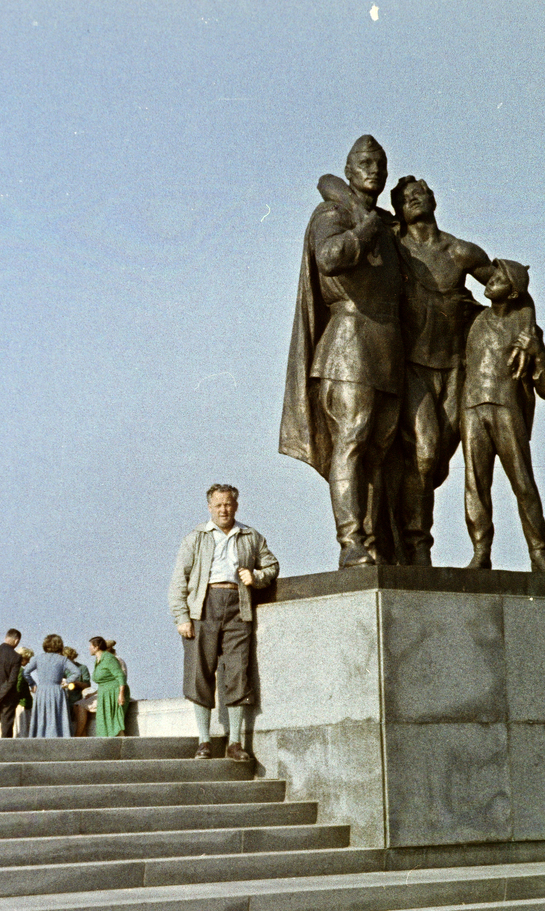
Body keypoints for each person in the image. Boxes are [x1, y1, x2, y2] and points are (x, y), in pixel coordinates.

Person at [279, 135, 405, 568]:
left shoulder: (386, 226)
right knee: (351, 442)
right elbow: (330, 257)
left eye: (380, 163)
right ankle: (351, 541)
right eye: (365, 162)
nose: (374, 169)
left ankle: (376, 542)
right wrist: (366, 225)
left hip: (388, 347)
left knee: (380, 451)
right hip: (347, 344)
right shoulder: (332, 214)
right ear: (349, 171)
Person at [389, 175, 493, 565]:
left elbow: (508, 288)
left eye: (420, 193)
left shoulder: (460, 251)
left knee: (437, 463)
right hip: (413, 367)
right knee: (426, 452)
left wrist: (521, 329)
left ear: (433, 198)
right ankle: (418, 546)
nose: (415, 199)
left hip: (456, 368)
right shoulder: (396, 250)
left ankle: (409, 532)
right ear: (399, 210)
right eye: (406, 198)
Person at [460, 259, 545, 573]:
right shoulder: (474, 319)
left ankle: (538, 553)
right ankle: (480, 551)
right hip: (472, 407)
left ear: (514, 292)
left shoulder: (528, 333)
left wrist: (537, 354)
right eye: (493, 274)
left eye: (501, 277)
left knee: (522, 482)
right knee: (475, 484)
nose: (492, 280)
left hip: (507, 408)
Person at [170, 483, 280, 762]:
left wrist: (255, 577)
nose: (223, 509)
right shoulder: (195, 537)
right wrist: (182, 617)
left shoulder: (251, 536)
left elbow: (272, 566)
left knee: (238, 672)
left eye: (228, 504)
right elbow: (178, 582)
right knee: (199, 672)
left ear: (236, 506)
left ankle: (235, 742)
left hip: (238, 606)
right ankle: (204, 742)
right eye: (218, 505)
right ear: (209, 507)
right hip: (203, 607)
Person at [25, 635, 80, 738]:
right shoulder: (63, 659)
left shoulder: (38, 658)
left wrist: (32, 684)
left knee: (42, 715)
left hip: (42, 690)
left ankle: (40, 736)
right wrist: (67, 682)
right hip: (57, 690)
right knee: (58, 715)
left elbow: (26, 672)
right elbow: (77, 672)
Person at [88, 636, 128, 739]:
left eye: (91, 646)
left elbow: (120, 676)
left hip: (114, 692)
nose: (89, 648)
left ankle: (123, 747)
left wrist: (121, 694)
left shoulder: (109, 658)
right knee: (104, 722)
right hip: (104, 693)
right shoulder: (98, 660)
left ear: (96, 647)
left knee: (115, 722)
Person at [62, 645, 91, 737]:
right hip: (64, 701)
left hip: (77, 700)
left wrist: (74, 683)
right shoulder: (61, 669)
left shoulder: (82, 668)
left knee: (81, 723)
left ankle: (78, 739)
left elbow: (87, 684)